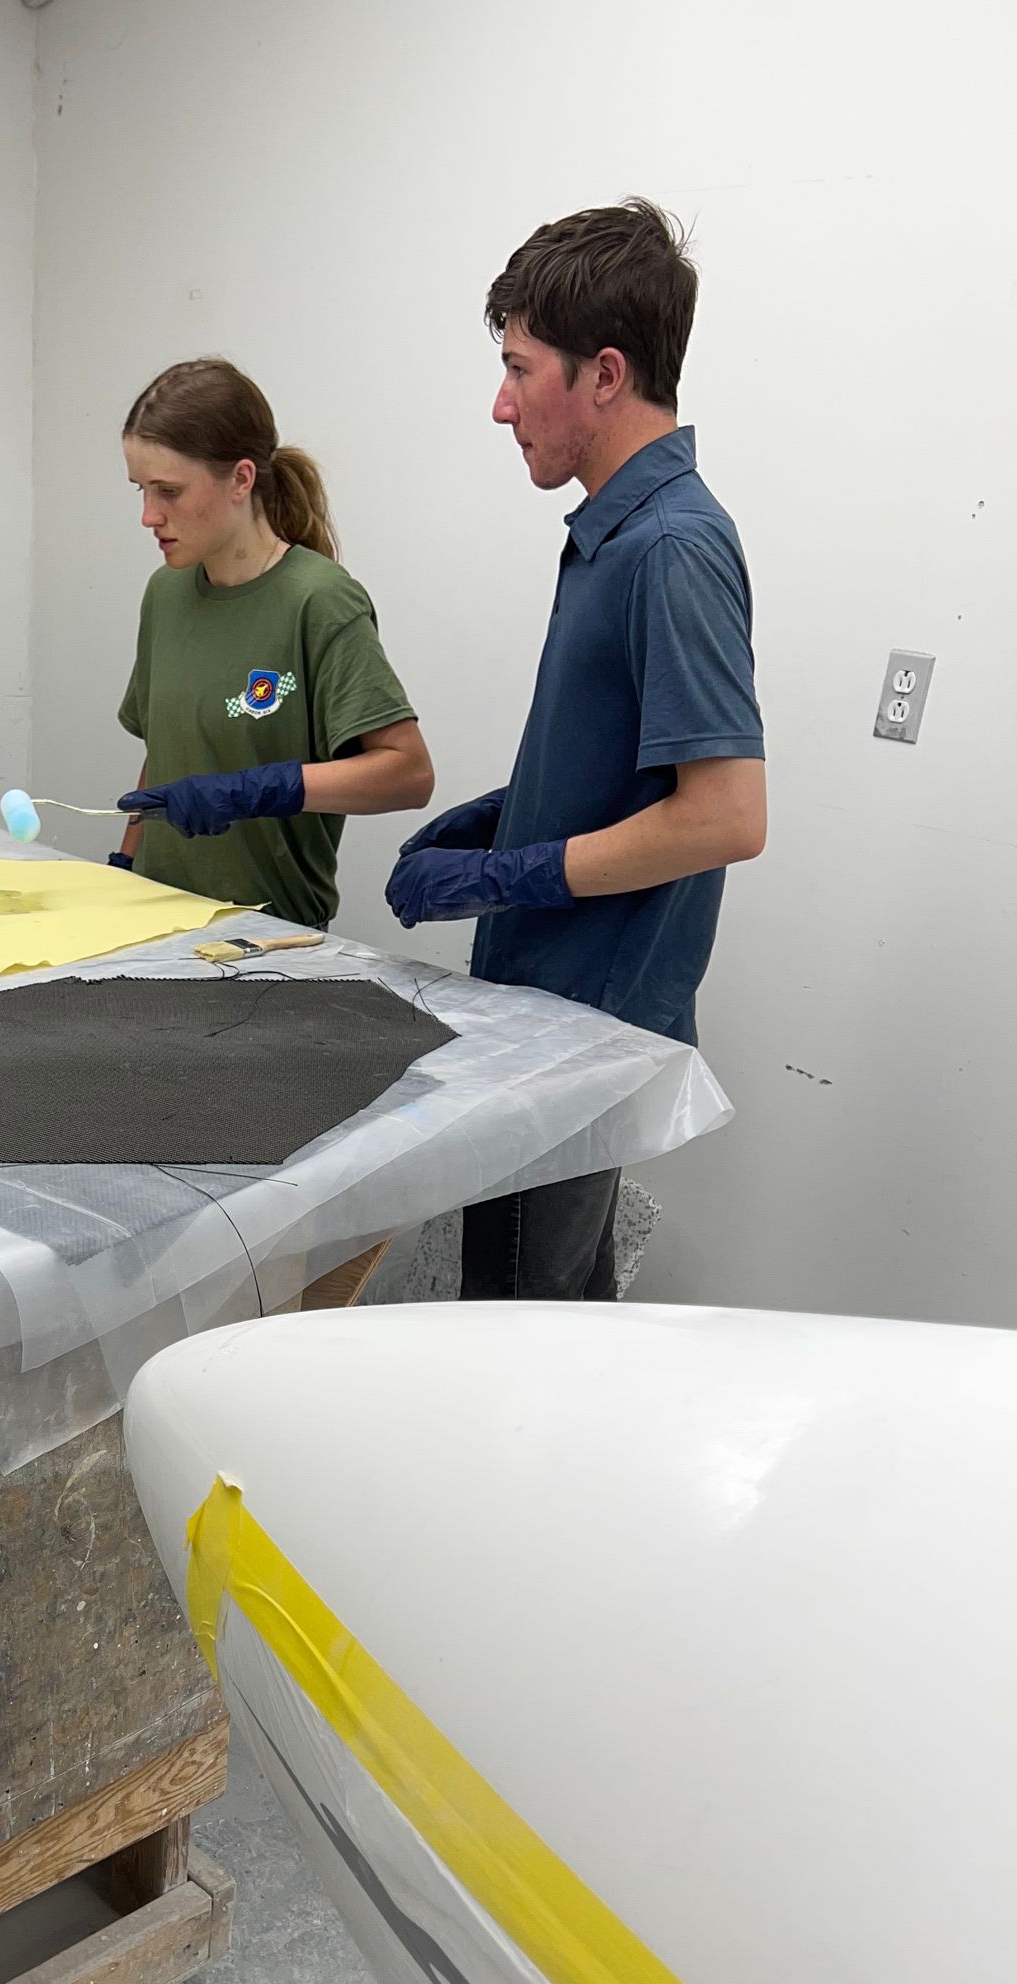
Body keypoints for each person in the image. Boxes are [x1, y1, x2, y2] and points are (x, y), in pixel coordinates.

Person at [387, 200, 765, 1301]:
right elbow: (637, 770)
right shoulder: (615, 533)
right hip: (547, 1013)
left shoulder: (673, 546)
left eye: (520, 370)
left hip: (581, 1034)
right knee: (554, 1323)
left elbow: (727, 814)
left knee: (521, 1341)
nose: (500, 405)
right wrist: (512, 813)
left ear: (603, 375)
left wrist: (516, 870)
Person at [114, 359, 433, 926]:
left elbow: (407, 774)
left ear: (241, 479)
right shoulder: (164, 593)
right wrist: (124, 862)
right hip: (157, 919)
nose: (148, 515)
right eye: (141, 489)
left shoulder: (319, 601)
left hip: (268, 937)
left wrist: (266, 788)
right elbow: (162, 755)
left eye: (168, 491)